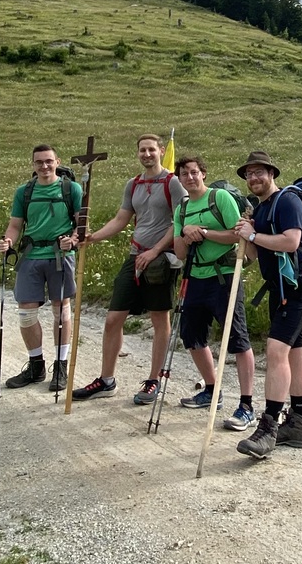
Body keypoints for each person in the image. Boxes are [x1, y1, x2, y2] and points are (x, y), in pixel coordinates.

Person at [72, 134, 187, 405]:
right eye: (142, 150)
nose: (147, 154)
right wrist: (93, 237)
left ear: (161, 151)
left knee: (159, 317)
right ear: (138, 153)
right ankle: (106, 380)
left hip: (161, 259)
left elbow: (180, 220)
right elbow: (121, 218)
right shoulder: (133, 184)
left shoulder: (173, 183)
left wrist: (155, 250)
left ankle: (153, 380)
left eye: (151, 149)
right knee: (113, 319)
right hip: (135, 256)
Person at [231, 151, 302, 458]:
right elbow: (256, 255)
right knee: (295, 351)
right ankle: (297, 425)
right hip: (280, 287)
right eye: (249, 174)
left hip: (299, 287)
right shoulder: (262, 207)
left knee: (276, 350)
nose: (253, 178)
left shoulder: (288, 201)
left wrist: (254, 233)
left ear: (271, 173)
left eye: (259, 172)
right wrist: (246, 237)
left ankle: (268, 428)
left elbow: (291, 241)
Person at [171, 155, 258, 431]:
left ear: (203, 174)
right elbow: (180, 252)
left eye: (194, 172)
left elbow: (237, 234)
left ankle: (247, 405)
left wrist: (204, 232)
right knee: (191, 336)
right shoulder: (182, 208)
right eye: (184, 174)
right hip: (195, 276)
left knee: (238, 338)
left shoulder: (219, 198)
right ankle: (211, 390)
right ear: (179, 179)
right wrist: (186, 233)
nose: (189, 177)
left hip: (225, 276)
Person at [0, 144, 85, 392]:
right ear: (33, 165)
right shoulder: (24, 192)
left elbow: (81, 225)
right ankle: (36, 366)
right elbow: (15, 225)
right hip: (30, 255)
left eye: (48, 161)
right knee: (26, 312)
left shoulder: (71, 189)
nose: (44, 166)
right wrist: (7, 241)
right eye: (39, 162)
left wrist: (72, 240)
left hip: (60, 254)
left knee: (61, 310)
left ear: (57, 161)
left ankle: (60, 366)